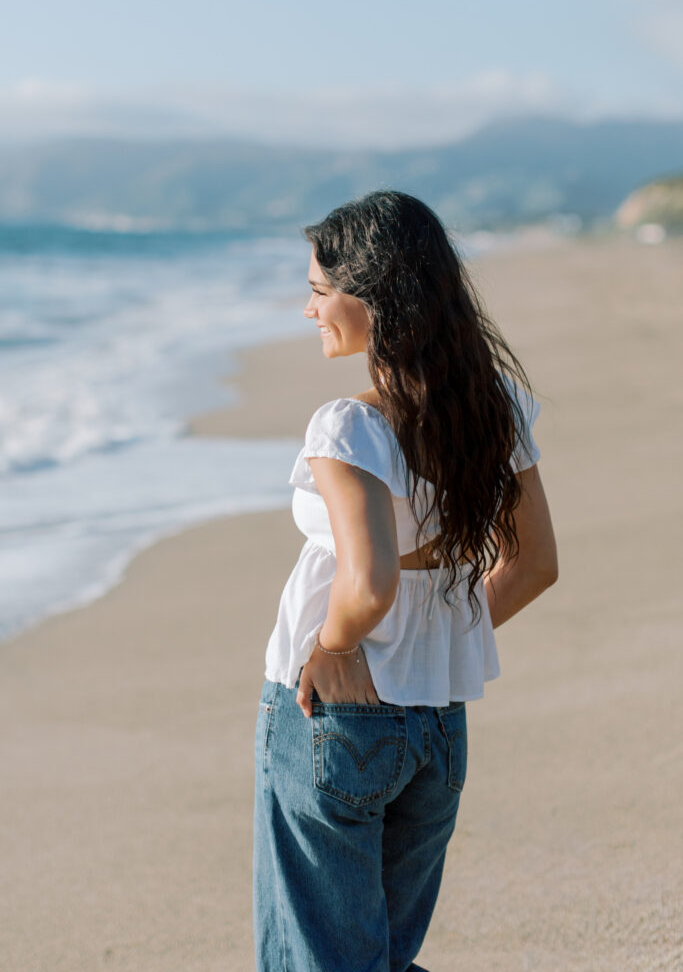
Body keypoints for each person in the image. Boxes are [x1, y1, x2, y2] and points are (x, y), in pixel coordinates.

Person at [253, 190, 558, 972]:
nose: (307, 310)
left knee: (318, 958)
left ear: (375, 297)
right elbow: (532, 565)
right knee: (379, 956)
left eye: (320, 293)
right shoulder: (494, 409)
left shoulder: (347, 426)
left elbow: (371, 579)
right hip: (437, 724)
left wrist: (335, 644)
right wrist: (437, 646)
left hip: (337, 720)